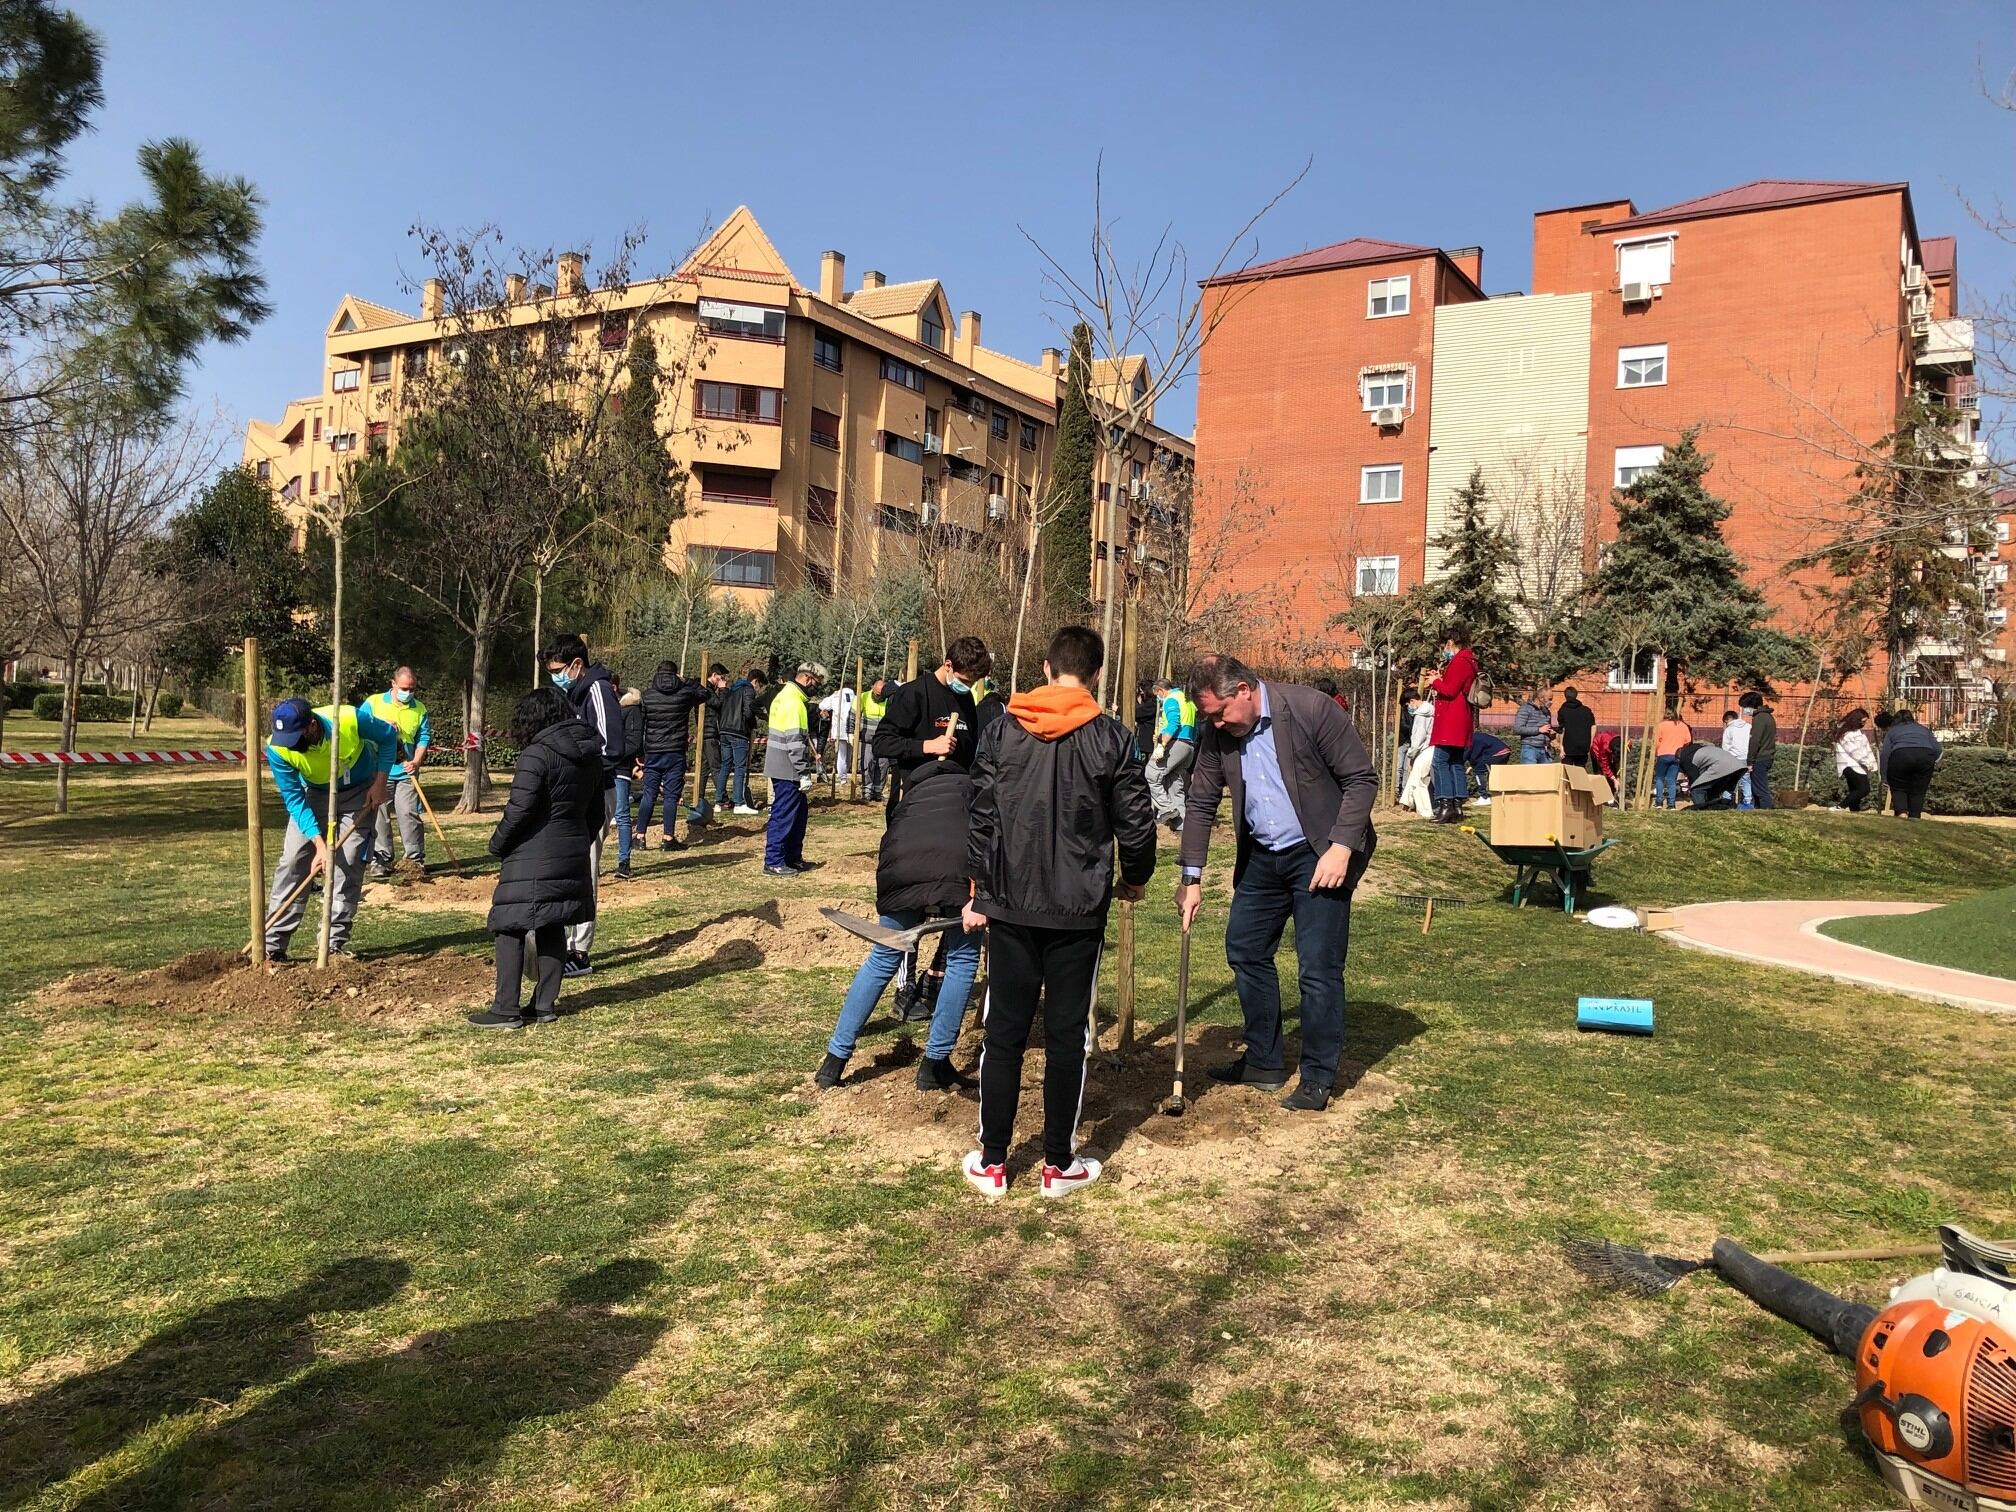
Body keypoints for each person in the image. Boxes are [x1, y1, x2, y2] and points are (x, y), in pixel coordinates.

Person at [962, 625, 1155, 1199]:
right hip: (1075, 907)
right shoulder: (1112, 739)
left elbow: (979, 816)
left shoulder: (1001, 731)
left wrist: (979, 887)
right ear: (1095, 675)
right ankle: (1055, 1162)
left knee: (1006, 1029)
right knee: (1068, 1033)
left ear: (1046, 669)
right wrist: (1136, 878)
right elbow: (1137, 822)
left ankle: (994, 1160)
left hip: (1015, 904)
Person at [1176, 652, 1378, 1114]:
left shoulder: (1310, 709)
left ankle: (1317, 1076)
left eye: (1220, 712)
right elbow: (1201, 801)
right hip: (1263, 858)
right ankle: (1264, 1060)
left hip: (1321, 853)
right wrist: (1191, 876)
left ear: (1243, 691)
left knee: (1317, 969)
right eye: (1210, 716)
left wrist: (1342, 846)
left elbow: (1362, 780)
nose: (1217, 724)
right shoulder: (1217, 733)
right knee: (1245, 949)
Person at [816, 755, 984, 1092]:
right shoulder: (972, 788)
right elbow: (987, 837)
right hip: (956, 866)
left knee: (883, 956)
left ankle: (834, 1060)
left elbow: (889, 844)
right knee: (962, 958)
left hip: (900, 872)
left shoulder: (909, 800)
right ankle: (934, 1065)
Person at [467, 688, 603, 1029]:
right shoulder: (590, 754)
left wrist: (498, 844)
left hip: (531, 854)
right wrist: (577, 841)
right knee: (552, 923)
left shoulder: (536, 755)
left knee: (509, 924)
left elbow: (520, 810)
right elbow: (597, 811)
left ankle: (505, 1008)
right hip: (571, 850)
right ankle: (544, 1005)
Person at [260, 697, 395, 964]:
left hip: (359, 793)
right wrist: (319, 845)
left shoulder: (348, 718)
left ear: (311, 726)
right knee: (293, 862)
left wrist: (380, 783)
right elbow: (294, 798)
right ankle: (272, 946)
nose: (291, 746)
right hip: (315, 795)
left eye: (295, 738)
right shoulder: (278, 749)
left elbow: (389, 738)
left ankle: (332, 945)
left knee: (349, 861)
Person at [542, 635, 622, 977]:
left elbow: (611, 748)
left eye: (559, 670)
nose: (555, 677)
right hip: (572, 793)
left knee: (586, 868)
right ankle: (562, 941)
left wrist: (577, 770)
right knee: (568, 867)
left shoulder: (598, 690)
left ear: (577, 664)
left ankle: (580, 950)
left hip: (594, 793)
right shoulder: (570, 693)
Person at [873, 636, 989, 804]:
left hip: (955, 798)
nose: (968, 687)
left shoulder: (967, 700)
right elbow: (881, 742)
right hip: (918, 799)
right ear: (948, 665)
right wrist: (927, 746)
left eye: (972, 683)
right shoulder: (913, 693)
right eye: (964, 681)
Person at [362, 667, 430, 881]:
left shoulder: (419, 709)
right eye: (403, 688)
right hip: (377, 770)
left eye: (412, 689)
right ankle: (381, 860)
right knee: (379, 815)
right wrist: (381, 727)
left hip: (406, 771)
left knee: (409, 813)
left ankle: (414, 861)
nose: (408, 693)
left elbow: (423, 738)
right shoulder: (373, 703)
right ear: (392, 683)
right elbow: (358, 727)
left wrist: (416, 761)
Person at [633, 661, 706, 852]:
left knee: (649, 793)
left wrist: (639, 752)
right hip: (675, 751)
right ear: (675, 675)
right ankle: (668, 838)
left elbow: (640, 726)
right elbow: (705, 693)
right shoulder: (684, 694)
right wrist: (687, 681)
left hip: (653, 751)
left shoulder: (647, 696)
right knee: (671, 796)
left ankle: (640, 836)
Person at [764, 662, 824, 876]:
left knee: (798, 814)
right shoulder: (794, 703)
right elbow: (796, 741)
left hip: (783, 765)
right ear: (808, 679)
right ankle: (773, 861)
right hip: (787, 769)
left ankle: (792, 857)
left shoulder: (785, 696)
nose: (817, 688)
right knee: (784, 814)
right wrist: (803, 772)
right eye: (817, 683)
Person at [1426, 627, 1477, 824]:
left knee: (1439, 761)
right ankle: (1457, 804)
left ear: (1450, 642)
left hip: (1451, 720)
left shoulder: (1459, 662)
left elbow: (1450, 690)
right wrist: (1439, 678)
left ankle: (1445, 803)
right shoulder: (1470, 661)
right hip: (1461, 718)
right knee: (1455, 762)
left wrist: (1435, 682)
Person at [1145, 674, 1198, 831]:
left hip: (1176, 744)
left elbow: (1174, 723)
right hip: (1188, 746)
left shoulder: (1170, 699)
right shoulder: (1186, 698)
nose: (1158, 700)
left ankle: (1167, 809)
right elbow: (1189, 723)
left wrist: (1162, 744)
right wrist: (1161, 734)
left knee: (1151, 774)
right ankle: (1182, 826)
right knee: (1175, 785)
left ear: (1161, 691)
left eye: (1157, 696)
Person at [711, 667, 760, 816]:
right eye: (760, 685)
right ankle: (739, 802)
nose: (758, 689)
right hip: (738, 731)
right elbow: (748, 711)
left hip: (725, 731)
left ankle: (718, 801)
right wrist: (752, 724)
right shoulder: (748, 690)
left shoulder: (731, 689)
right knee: (740, 767)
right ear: (755, 681)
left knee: (725, 765)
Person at [1879, 709, 1942, 820]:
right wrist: (1931, 761)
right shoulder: (1924, 730)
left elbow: (1885, 754)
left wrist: (1884, 776)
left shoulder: (1893, 731)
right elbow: (1938, 749)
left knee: (1898, 787)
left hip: (1900, 756)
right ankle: (1915, 817)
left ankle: (1902, 813)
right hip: (1925, 756)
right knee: (1918, 790)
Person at [690, 663, 730, 823]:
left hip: (706, 732)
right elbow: (720, 704)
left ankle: (699, 796)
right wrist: (723, 690)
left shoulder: (704, 689)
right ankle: (722, 798)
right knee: (716, 767)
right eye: (721, 677)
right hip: (709, 732)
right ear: (714, 675)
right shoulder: (706, 690)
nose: (724, 680)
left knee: (705, 768)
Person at [614, 681, 643, 881]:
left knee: (622, 815)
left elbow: (633, 741)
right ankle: (592, 861)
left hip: (619, 768)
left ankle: (624, 862)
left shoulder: (631, 709)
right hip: (599, 768)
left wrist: (614, 756)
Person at [1675, 740, 1747, 809]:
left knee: (1696, 789)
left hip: (1722, 767)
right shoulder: (1702, 750)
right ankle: (1717, 808)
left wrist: (1690, 788)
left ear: (1679, 758)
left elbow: (1694, 778)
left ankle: (1701, 810)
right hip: (1738, 767)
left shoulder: (1686, 757)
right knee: (1713, 789)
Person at [1833, 707, 1879, 814]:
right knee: (1863, 789)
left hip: (1858, 765)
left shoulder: (1856, 733)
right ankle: (1840, 806)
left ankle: (1855, 810)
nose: (1864, 724)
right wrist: (1866, 762)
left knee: (1855, 789)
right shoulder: (1846, 734)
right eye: (1863, 721)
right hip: (1851, 765)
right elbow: (1854, 751)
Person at [1740, 691, 1778, 810]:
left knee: (1760, 789)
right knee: (1757, 788)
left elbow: (1755, 741)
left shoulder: (1759, 718)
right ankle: (1758, 810)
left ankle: (1766, 810)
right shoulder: (1767, 717)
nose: (1744, 710)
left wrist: (1750, 761)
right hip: (1766, 756)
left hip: (1760, 758)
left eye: (1745, 707)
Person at [858, 676, 892, 803]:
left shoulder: (888, 700)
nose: (879, 696)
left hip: (883, 740)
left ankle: (878, 791)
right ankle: (867, 791)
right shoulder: (863, 697)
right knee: (867, 765)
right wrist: (851, 733)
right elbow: (852, 716)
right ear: (873, 688)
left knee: (883, 766)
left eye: (881, 694)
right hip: (867, 739)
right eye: (877, 693)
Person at [818, 680, 857, 788]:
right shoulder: (855, 696)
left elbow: (822, 705)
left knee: (841, 754)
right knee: (849, 754)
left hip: (839, 729)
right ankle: (847, 774)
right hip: (852, 729)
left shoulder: (836, 696)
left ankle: (842, 777)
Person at [1652, 708, 1692, 810]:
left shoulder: (1661, 725)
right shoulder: (1682, 725)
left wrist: (1656, 752)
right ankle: (1671, 804)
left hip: (1663, 754)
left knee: (1660, 778)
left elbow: (1656, 741)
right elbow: (1688, 740)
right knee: (1672, 780)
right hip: (1676, 755)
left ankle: (1659, 802)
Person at [1464, 728, 1510, 804]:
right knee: (1494, 773)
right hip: (1504, 751)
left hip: (1497, 753)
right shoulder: (1476, 736)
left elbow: (1472, 756)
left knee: (1478, 770)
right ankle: (1498, 795)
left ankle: (1484, 797)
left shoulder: (1470, 740)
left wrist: (1471, 765)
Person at [1721, 709, 1754, 810]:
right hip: (1747, 757)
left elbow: (1725, 746)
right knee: (1746, 779)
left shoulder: (1729, 730)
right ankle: (1748, 801)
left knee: (1730, 779)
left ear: (1727, 720)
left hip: (1733, 757)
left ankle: (1726, 799)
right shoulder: (1749, 727)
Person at [1512, 687, 1555, 764]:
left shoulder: (1547, 712)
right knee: (1530, 775)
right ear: (1541, 698)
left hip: (1545, 749)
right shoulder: (1525, 709)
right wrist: (1538, 730)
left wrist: (1551, 734)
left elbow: (1546, 729)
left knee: (1546, 775)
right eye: (1549, 699)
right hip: (1530, 748)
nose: (1551, 702)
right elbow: (1517, 729)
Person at [1555, 686, 1594, 770]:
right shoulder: (1586, 710)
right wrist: (1590, 742)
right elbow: (1593, 726)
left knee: (1566, 772)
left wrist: (1561, 746)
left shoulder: (1562, 711)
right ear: (1576, 695)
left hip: (1568, 747)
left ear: (1565, 696)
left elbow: (1562, 729)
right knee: (1580, 772)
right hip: (1583, 747)